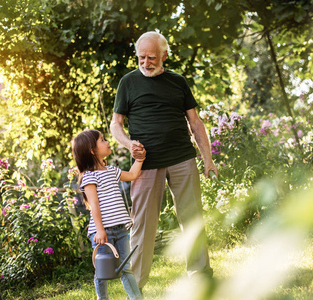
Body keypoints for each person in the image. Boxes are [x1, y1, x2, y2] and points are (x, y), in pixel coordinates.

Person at [110, 31, 218, 292]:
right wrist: (129, 144)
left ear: (164, 56)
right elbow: (115, 125)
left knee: (192, 219)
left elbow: (195, 122)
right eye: (141, 58)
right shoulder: (128, 83)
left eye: (151, 57)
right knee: (143, 226)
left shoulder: (178, 82)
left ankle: (201, 278)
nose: (145, 63)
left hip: (182, 157)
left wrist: (208, 160)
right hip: (146, 164)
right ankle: (136, 288)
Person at [71, 129, 144, 300]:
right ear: (92, 150)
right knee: (102, 271)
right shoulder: (89, 177)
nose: (107, 142)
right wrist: (100, 230)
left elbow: (133, 175)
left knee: (126, 268)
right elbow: (94, 205)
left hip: (120, 230)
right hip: (102, 232)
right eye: (102, 140)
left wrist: (139, 159)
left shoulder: (112, 171)